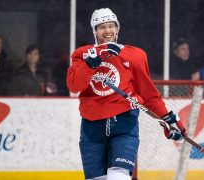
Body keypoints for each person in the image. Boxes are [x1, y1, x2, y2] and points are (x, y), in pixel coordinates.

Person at [66, 8, 187, 180]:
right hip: (92, 129)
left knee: (119, 177)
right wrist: (90, 64)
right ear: (94, 31)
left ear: (117, 29)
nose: (107, 31)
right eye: (102, 27)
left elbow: (148, 94)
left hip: (124, 125)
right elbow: (73, 85)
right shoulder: (83, 54)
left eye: (111, 26)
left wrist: (167, 118)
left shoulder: (135, 55)